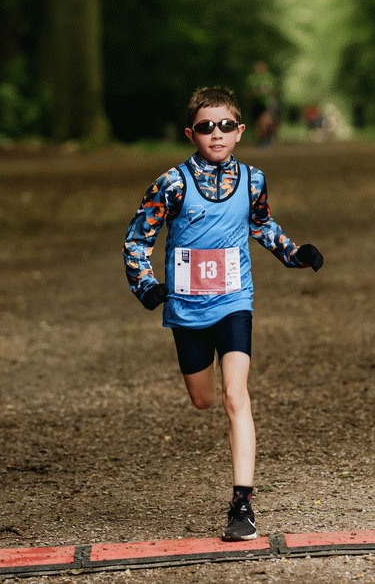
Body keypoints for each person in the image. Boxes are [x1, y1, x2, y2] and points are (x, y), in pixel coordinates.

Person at [123, 86, 324, 541]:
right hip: (187, 308)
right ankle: (209, 394)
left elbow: (261, 224)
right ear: (190, 134)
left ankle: (242, 505)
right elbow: (137, 239)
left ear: (240, 131)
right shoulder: (172, 184)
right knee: (204, 400)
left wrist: (295, 254)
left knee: (237, 396)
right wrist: (146, 285)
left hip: (234, 301)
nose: (216, 134)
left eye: (226, 125)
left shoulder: (253, 180)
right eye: (206, 127)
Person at [245, 61, 280, 148]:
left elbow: (274, 91)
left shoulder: (269, 77)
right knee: (258, 123)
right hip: (256, 103)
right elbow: (249, 92)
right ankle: (262, 139)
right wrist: (256, 93)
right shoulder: (251, 78)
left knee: (266, 121)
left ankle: (267, 138)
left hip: (268, 103)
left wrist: (268, 91)